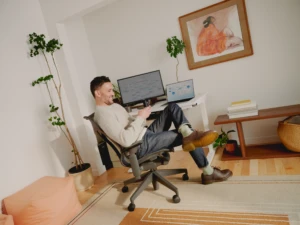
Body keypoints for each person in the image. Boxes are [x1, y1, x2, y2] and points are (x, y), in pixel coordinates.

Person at [90, 76, 232, 184]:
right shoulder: (102, 115)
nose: (112, 94)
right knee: (188, 136)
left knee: (172, 107)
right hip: (139, 146)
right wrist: (140, 118)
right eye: (109, 91)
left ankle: (189, 134)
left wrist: (141, 117)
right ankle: (208, 172)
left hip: (144, 134)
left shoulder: (114, 106)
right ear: (98, 93)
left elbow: (130, 123)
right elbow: (125, 140)